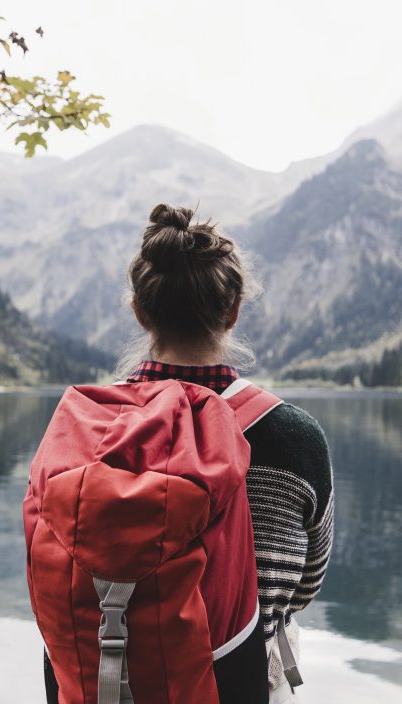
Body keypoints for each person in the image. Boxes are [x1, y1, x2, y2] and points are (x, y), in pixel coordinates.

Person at [115, 203, 334, 703]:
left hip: (116, 684)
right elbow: (303, 588)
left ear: (140, 311)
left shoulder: (89, 426)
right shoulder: (295, 440)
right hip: (242, 687)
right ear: (233, 310)